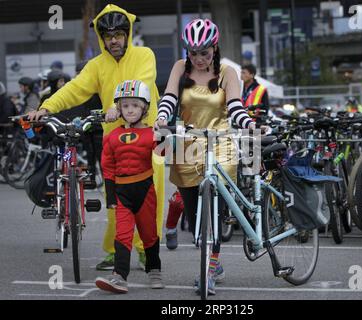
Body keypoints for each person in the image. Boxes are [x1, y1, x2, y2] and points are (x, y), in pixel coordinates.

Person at [26, 4, 165, 273]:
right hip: (115, 140)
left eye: (118, 34)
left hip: (148, 136)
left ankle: (147, 250)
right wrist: (45, 108)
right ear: (102, 38)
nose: (113, 40)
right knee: (114, 196)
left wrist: (117, 103)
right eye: (108, 35)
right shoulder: (96, 65)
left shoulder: (144, 55)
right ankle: (116, 251)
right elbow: (74, 89)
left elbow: (143, 82)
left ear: (127, 33)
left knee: (150, 197)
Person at [155, 18, 255, 295]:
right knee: (194, 214)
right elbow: (169, 98)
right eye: (192, 52)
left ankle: (209, 271)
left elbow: (235, 105)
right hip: (186, 143)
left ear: (215, 47)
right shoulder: (179, 67)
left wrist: (246, 123)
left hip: (220, 143)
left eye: (204, 52)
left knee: (215, 213)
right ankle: (214, 261)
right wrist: (161, 118)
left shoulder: (228, 72)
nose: (198, 58)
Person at [95, 80, 163, 293]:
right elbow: (107, 167)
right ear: (118, 109)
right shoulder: (111, 136)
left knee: (149, 233)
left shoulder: (152, 132)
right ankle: (119, 276)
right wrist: (110, 197)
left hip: (145, 190)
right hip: (121, 192)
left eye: (135, 105)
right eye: (125, 106)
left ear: (145, 108)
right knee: (122, 234)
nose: (130, 109)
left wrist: (164, 133)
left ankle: (154, 270)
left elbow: (165, 155)